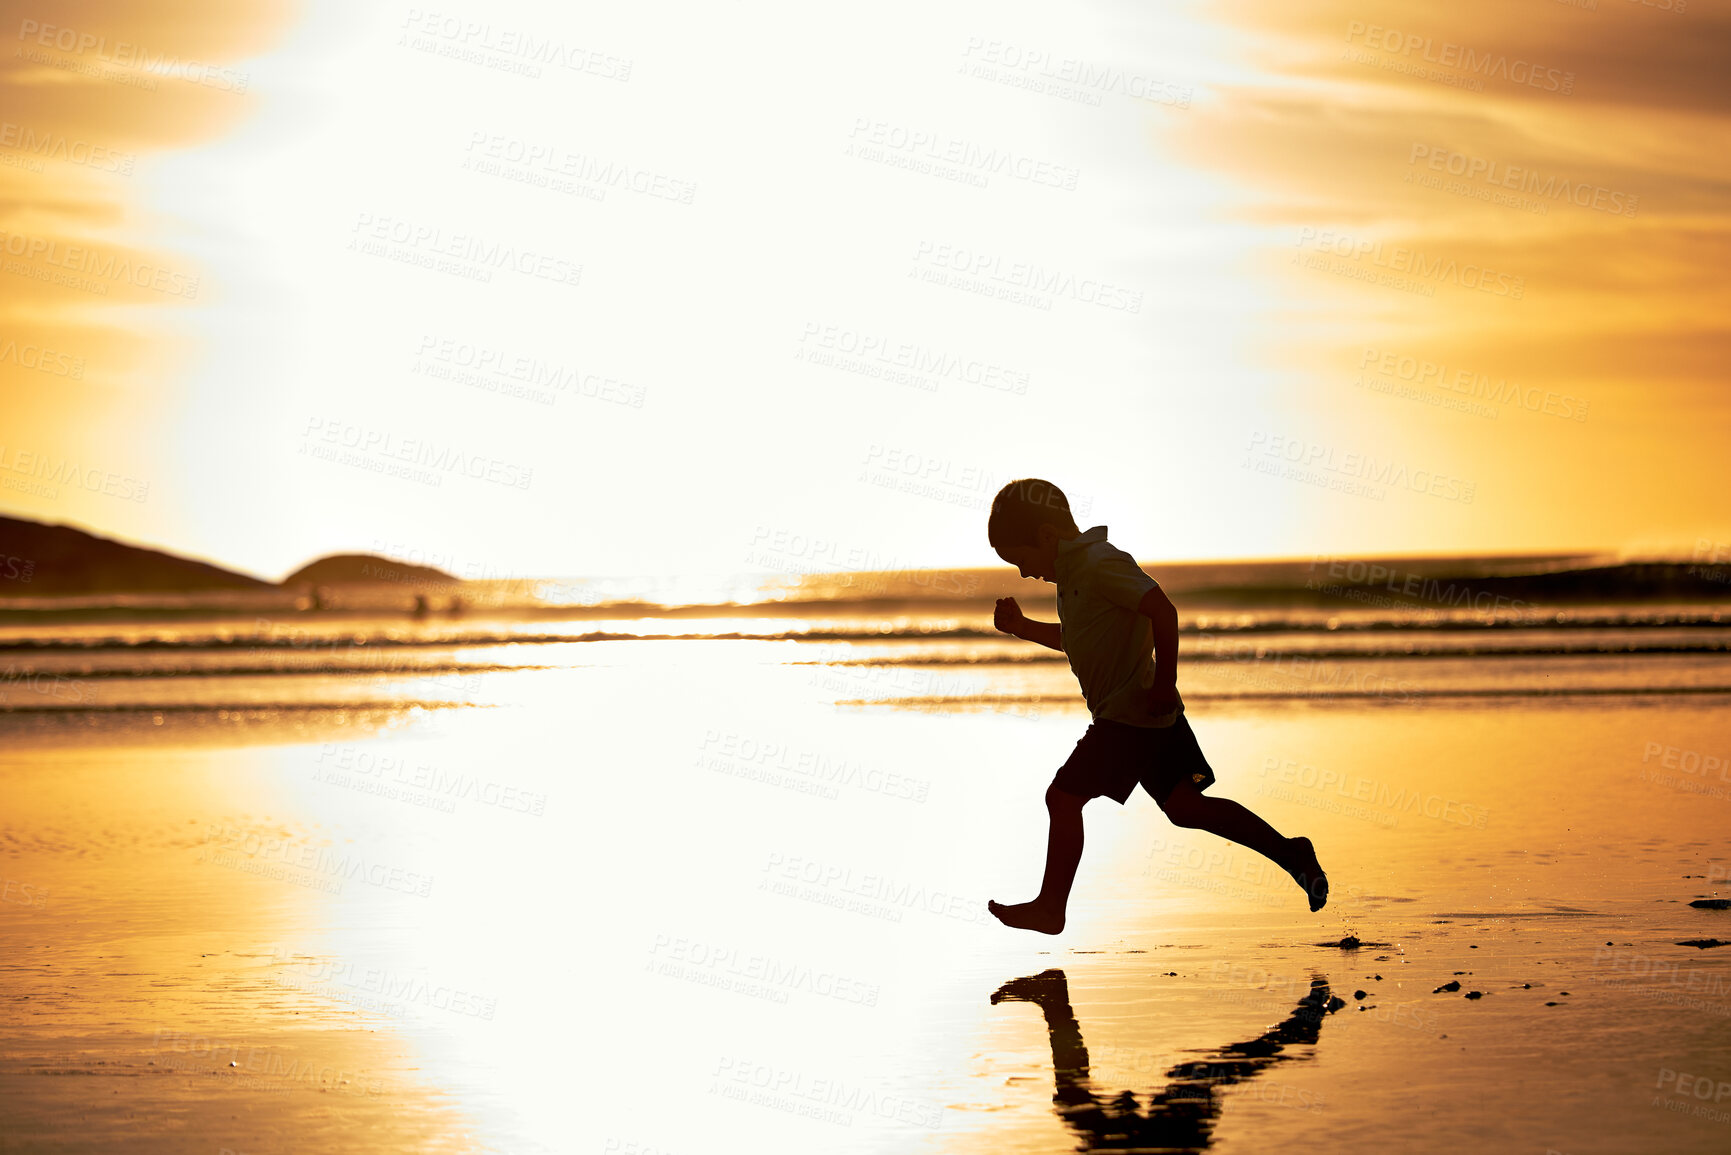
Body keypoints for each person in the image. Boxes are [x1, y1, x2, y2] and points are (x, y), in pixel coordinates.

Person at [984, 478, 1327, 934]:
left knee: (1062, 798)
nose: (1025, 573)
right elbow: (1081, 641)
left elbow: (1163, 611)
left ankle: (1051, 908)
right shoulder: (1072, 579)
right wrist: (1025, 628)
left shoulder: (1099, 563)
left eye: (1021, 559)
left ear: (1046, 536)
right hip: (1143, 714)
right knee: (1186, 808)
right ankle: (1292, 853)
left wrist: (1166, 682)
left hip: (1130, 715)